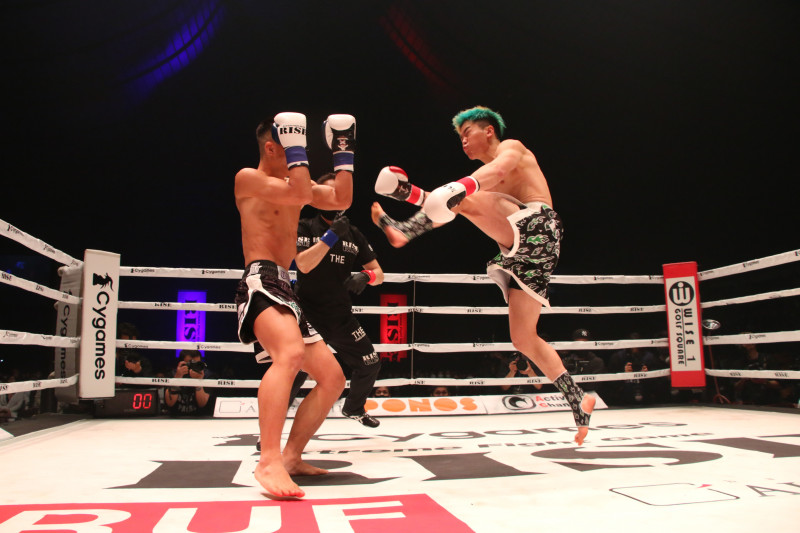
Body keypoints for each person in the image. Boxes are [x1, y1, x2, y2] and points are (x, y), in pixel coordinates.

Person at [371, 106, 595, 444]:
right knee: (523, 338)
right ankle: (578, 398)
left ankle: (405, 230)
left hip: (538, 227)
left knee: (464, 196)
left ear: (488, 130)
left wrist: (416, 194)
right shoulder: (479, 183)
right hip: (524, 249)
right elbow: (454, 203)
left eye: (467, 133)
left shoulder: (512, 148)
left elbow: (489, 176)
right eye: (460, 137)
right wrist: (412, 193)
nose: (462, 141)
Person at [233, 111, 354, 498]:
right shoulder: (248, 179)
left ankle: (290, 457)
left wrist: (344, 150)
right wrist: (297, 148)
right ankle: (267, 461)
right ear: (272, 148)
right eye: (291, 148)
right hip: (261, 279)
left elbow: (342, 199)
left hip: (287, 285)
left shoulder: (291, 185)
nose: (301, 158)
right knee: (289, 354)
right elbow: (302, 194)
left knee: (333, 378)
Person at [294, 172, 385, 428]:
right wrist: (331, 235)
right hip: (308, 314)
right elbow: (303, 264)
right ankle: (270, 431)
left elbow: (379, 273)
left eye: (338, 193)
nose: (334, 198)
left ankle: (354, 408)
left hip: (340, 315)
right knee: (295, 372)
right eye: (329, 193)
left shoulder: (353, 233)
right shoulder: (305, 226)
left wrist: (366, 276)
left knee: (370, 363)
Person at [164, 350, 213, 416]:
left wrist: (198, 382)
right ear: (182, 363)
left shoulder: (207, 375)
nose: (194, 367)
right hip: (176, 417)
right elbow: (170, 403)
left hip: (199, 417)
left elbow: (202, 404)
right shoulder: (172, 375)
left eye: (197, 364)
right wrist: (177, 379)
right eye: (191, 364)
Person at [561, 328, 605, 393]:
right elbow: (562, 384)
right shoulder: (567, 361)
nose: (582, 347)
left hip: (592, 395)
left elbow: (595, 385)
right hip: (569, 395)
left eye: (585, 344)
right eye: (579, 344)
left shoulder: (597, 362)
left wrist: (580, 373)